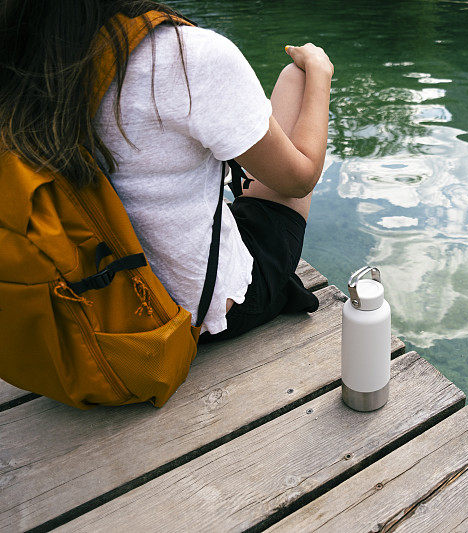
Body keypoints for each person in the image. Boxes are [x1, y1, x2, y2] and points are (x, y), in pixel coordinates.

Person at [0, 1, 333, 341]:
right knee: (297, 77)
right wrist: (321, 71)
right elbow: (300, 179)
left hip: (91, 300)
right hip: (191, 316)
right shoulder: (190, 56)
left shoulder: (26, 61)